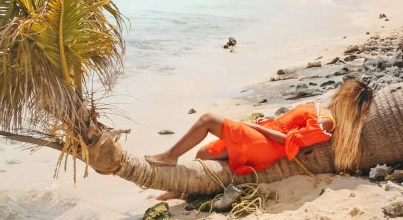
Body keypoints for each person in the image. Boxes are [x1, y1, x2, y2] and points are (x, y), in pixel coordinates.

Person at [145, 77, 374, 176]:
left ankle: (170, 156)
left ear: (347, 98)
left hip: (267, 144)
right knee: (205, 152)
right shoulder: (325, 112)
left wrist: (258, 127)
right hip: (263, 135)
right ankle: (181, 188)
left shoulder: (326, 122)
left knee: (207, 120)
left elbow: (289, 142)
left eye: (343, 91)